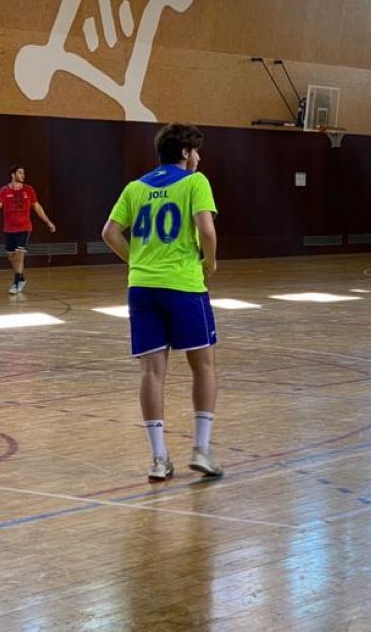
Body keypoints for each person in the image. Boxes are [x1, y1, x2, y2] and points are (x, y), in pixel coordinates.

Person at [101, 123, 223, 482]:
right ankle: (201, 449)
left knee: (152, 371)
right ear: (185, 153)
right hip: (183, 285)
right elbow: (206, 229)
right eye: (196, 151)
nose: (199, 157)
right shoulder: (195, 182)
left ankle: (158, 458)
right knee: (203, 365)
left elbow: (109, 233)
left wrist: (136, 262)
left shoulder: (135, 187)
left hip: (141, 288)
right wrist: (210, 261)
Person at [0, 165, 56, 294]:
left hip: (24, 227)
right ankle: (21, 278)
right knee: (11, 256)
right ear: (13, 175)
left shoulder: (29, 190)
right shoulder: (4, 190)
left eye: (23, 173)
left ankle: (16, 283)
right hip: (9, 229)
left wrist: (48, 222)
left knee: (19, 254)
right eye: (20, 173)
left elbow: (37, 207)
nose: (23, 175)